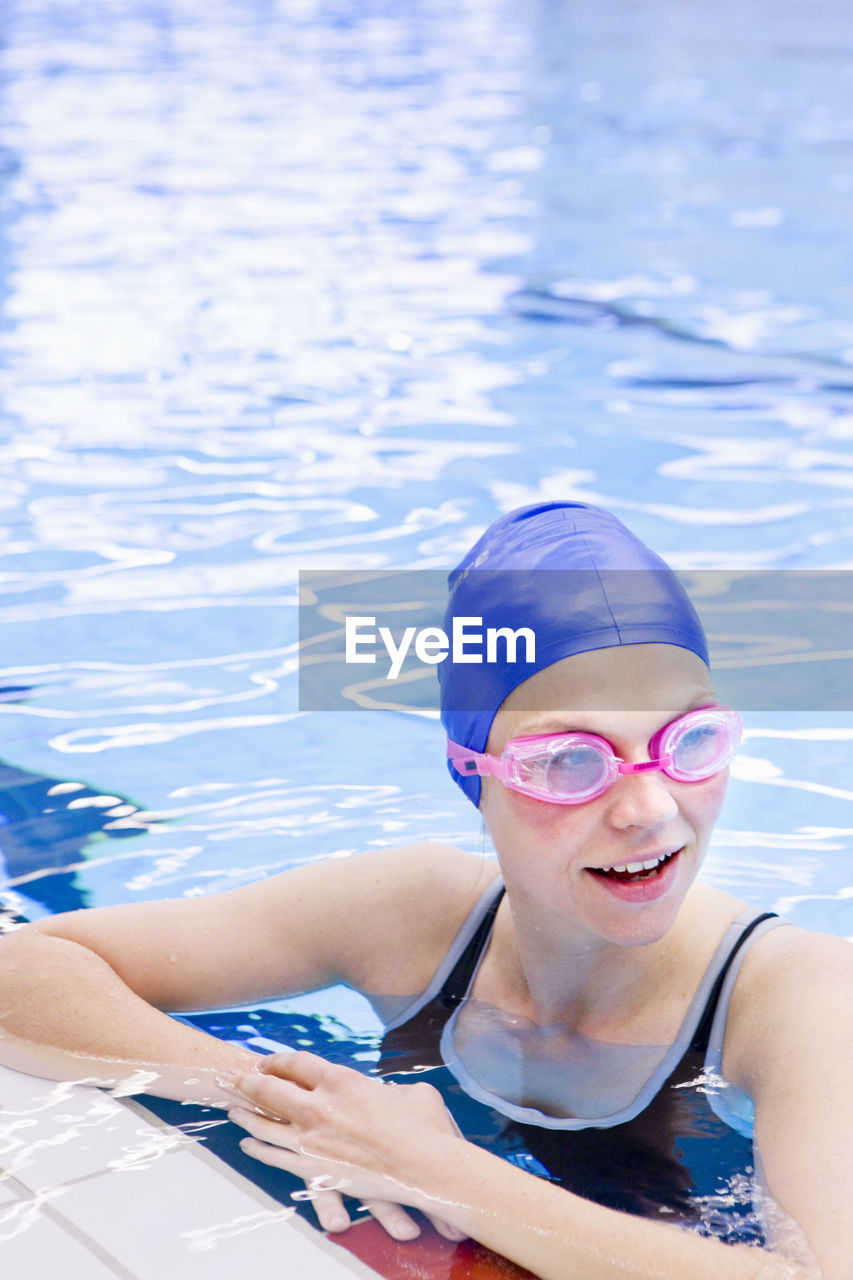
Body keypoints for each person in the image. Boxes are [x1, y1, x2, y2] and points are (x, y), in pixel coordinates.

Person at [0, 503, 850, 1280]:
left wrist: (440, 1172)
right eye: (569, 761)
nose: (650, 808)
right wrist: (300, 1101)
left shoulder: (803, 998)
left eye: (689, 740)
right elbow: (27, 969)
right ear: (468, 775)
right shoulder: (414, 914)